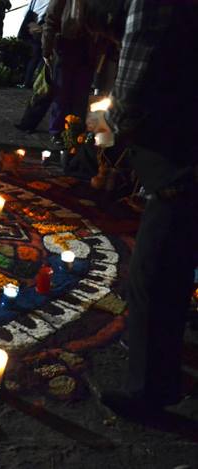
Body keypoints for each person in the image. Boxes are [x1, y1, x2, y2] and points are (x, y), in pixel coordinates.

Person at [83, 0, 198, 415]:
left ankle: (149, 389)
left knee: (155, 269)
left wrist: (107, 127)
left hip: (180, 157)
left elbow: (138, 66)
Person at [43, 0, 95, 147]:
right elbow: (51, 19)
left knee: (81, 94)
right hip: (66, 45)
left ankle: (75, 131)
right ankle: (57, 131)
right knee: (62, 92)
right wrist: (46, 49)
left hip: (87, 48)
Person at [17, 0, 49, 89]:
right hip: (44, 28)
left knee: (34, 58)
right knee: (43, 58)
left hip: (33, 28)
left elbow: (26, 12)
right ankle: (41, 84)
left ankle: (27, 81)